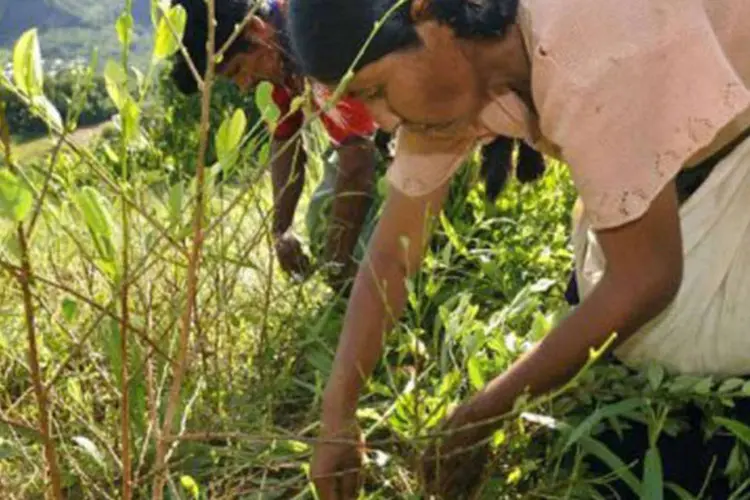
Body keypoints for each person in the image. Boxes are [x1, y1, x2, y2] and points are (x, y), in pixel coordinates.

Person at [285, 0, 750, 497]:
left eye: (376, 90)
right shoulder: (464, 64)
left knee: (693, 455)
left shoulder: (588, 39)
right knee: (602, 416)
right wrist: (337, 413)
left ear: (425, 13)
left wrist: (484, 411)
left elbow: (647, 277)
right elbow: (393, 255)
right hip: (688, 170)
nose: (380, 121)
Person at [170, 0, 382, 286]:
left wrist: (337, 263)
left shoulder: (318, 33)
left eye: (237, 70)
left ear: (256, 30)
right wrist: (281, 231)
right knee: (321, 225)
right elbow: (285, 140)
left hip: (414, 122)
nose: (244, 85)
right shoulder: (277, 60)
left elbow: (358, 160)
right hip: (366, 140)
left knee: (368, 249)